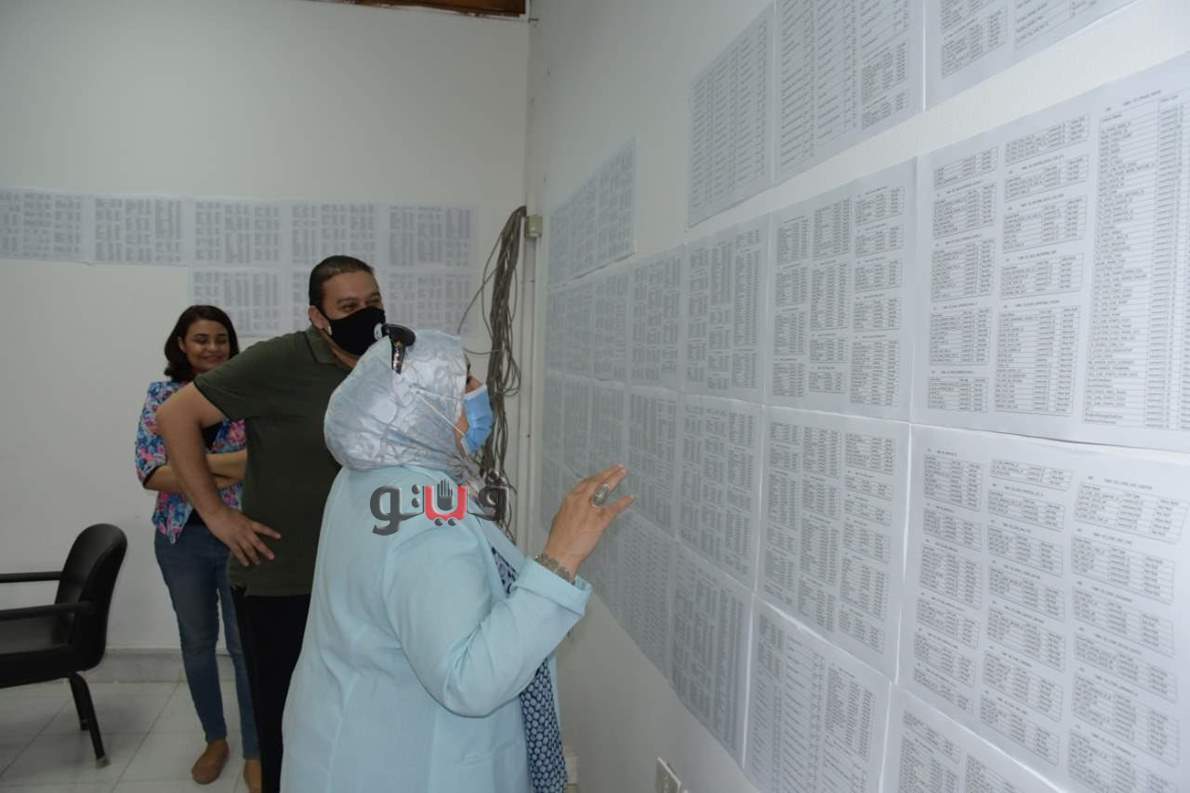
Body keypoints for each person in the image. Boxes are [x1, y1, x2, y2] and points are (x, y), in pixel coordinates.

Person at [281, 328, 632, 793]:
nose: (478, 391)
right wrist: (561, 557)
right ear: (420, 408)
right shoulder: (423, 518)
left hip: (354, 734)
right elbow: (470, 681)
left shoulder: (372, 473)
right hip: (405, 765)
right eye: (464, 382)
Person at [155, 255, 389, 793]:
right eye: (348, 307)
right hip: (285, 581)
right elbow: (175, 417)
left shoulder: (387, 360)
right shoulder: (280, 360)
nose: (366, 315)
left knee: (354, 723)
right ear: (317, 316)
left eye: (373, 302)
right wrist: (216, 515)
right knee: (286, 729)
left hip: (365, 577)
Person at [134, 305, 261, 790]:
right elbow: (151, 473)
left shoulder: (247, 396)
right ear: (182, 345)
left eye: (221, 339)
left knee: (245, 647)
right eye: (201, 339)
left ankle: (255, 750)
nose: (212, 348)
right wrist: (224, 467)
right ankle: (215, 739)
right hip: (179, 539)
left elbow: (255, 464)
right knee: (197, 644)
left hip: (238, 534)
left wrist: (186, 463)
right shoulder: (161, 396)